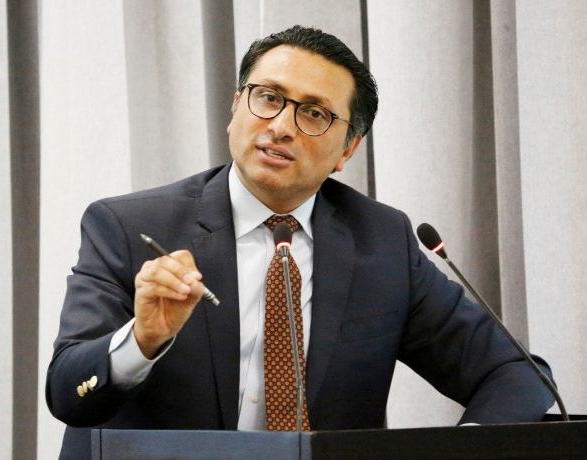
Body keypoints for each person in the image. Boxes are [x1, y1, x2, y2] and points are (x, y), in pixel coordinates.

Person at [46, 25, 555, 458]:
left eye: (314, 114)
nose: (281, 126)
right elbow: (67, 392)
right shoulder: (129, 226)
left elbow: (517, 373)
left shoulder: (382, 244)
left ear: (347, 149)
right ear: (236, 108)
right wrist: (141, 341)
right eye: (268, 98)